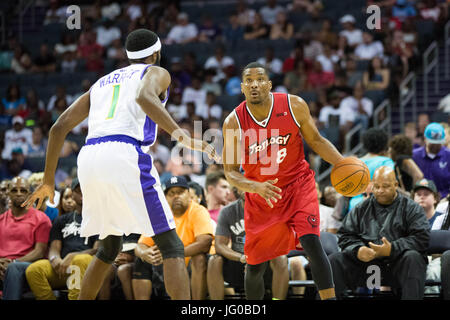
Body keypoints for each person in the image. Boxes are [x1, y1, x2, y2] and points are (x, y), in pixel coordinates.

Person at [22, 29, 220, 301]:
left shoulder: (101, 82)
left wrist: (48, 180)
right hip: (125, 152)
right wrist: (182, 136)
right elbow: (143, 98)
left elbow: (58, 128)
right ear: (156, 53)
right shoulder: (156, 72)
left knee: (109, 247)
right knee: (171, 245)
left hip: (90, 157)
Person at [222, 62, 346, 300]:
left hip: (298, 184)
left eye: (259, 79)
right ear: (242, 87)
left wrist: (342, 163)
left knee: (312, 242)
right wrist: (255, 186)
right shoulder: (233, 122)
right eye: (249, 80)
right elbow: (230, 172)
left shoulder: (293, 105)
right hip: (263, 196)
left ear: (269, 84)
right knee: (256, 264)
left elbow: (317, 141)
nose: (254, 84)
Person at [328, 166, 430, 300]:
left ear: (396, 185)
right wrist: (358, 250)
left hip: (397, 264)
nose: (380, 191)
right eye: (376, 186)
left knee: (413, 257)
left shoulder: (411, 208)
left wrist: (392, 249)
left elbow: (422, 238)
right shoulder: (361, 208)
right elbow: (345, 235)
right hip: (366, 263)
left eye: (386, 186)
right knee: (335, 260)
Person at [132, 176, 214, 300]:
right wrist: (145, 253)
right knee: (141, 261)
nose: (176, 196)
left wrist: (172, 254)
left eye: (180, 192)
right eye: (172, 193)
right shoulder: (161, 213)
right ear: (165, 197)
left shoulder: (198, 211)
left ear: (188, 193)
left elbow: (204, 243)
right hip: (164, 264)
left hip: (189, 264)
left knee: (199, 259)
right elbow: (140, 245)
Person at [207, 189, 289, 300]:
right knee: (214, 261)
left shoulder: (272, 209)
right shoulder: (228, 211)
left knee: (281, 259)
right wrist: (241, 257)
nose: (247, 187)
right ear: (237, 186)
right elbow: (220, 245)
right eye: (243, 183)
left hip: (264, 263)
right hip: (238, 261)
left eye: (251, 182)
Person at [25, 178, 100, 300]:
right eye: (77, 190)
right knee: (34, 270)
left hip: (87, 265)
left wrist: (72, 256)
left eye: (84, 189)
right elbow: (54, 247)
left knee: (79, 261)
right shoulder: (61, 220)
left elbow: (97, 250)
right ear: (73, 194)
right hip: (63, 265)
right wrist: (55, 259)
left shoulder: (98, 218)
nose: (81, 192)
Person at [0, 177, 52, 300]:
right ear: (8, 193)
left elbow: (39, 252)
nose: (18, 194)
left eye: (23, 190)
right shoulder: (1, 219)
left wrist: (13, 262)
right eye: (14, 190)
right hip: (3, 266)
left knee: (13, 269)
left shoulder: (41, 219)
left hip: (27, 266)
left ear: (29, 194)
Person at [348, 128, 395, 211]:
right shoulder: (386, 161)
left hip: (354, 204)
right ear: (384, 143)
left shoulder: (355, 162)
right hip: (377, 206)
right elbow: (389, 185)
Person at [413, 123, 450, 199]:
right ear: (425, 139)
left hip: (445, 200)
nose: (435, 146)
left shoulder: (448, 156)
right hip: (421, 200)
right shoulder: (415, 156)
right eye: (432, 143)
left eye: (438, 143)